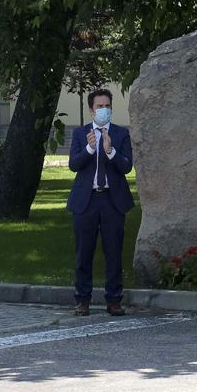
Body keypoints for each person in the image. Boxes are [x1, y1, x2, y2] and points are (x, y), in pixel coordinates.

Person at [67, 89, 133, 316]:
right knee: (83, 253)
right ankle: (82, 300)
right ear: (91, 110)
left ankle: (114, 300)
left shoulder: (121, 134)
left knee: (113, 252)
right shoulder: (80, 133)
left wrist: (110, 151)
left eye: (107, 106)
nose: (104, 110)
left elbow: (126, 166)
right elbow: (73, 164)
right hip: (86, 201)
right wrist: (90, 148)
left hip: (112, 201)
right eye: (99, 107)